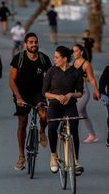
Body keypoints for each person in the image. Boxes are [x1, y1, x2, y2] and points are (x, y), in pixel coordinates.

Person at [9, 32, 52, 170]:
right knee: (22, 123)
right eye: (31, 42)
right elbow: (11, 80)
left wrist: (51, 95)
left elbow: (51, 78)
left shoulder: (44, 59)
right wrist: (18, 97)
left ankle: (41, 132)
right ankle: (21, 156)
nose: (34, 44)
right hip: (22, 94)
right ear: (25, 44)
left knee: (44, 115)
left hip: (38, 94)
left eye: (36, 42)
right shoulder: (19, 58)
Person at [43, 46, 84, 174]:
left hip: (70, 105)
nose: (54, 59)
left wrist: (70, 95)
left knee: (74, 127)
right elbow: (45, 93)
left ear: (65, 58)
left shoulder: (76, 72)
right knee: (52, 126)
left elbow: (80, 93)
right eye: (54, 57)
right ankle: (53, 156)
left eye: (57, 57)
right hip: (55, 105)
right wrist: (56, 96)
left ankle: (76, 161)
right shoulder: (51, 71)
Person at [73, 44, 100, 143]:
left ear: (81, 52)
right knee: (84, 114)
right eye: (73, 51)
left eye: (76, 51)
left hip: (84, 93)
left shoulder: (86, 64)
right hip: (75, 93)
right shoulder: (73, 62)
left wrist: (96, 91)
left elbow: (92, 79)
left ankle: (72, 134)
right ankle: (93, 135)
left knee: (75, 113)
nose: (74, 53)